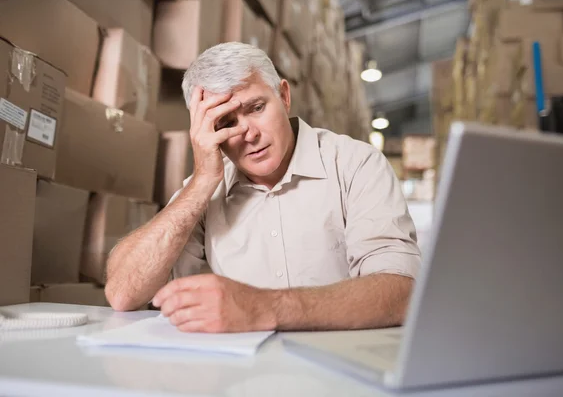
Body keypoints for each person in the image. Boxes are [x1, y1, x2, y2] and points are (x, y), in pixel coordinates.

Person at [105, 42, 421, 333]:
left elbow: (400, 292)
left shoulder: (356, 165)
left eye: (256, 108)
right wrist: (201, 181)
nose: (249, 134)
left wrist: (263, 308)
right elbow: (122, 294)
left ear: (284, 96)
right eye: (226, 123)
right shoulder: (204, 189)